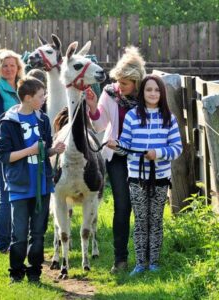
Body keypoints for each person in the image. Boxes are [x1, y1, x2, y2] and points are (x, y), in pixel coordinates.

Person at [106, 75, 183, 275]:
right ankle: (140, 263)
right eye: (149, 90)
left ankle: (154, 263)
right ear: (143, 93)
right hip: (136, 178)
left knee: (156, 220)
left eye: (156, 90)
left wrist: (157, 154)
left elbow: (177, 148)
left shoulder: (169, 118)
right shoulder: (132, 116)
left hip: (160, 177)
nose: (153, 93)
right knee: (140, 220)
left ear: (161, 93)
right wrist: (116, 146)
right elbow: (126, 147)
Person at [0, 77, 65, 283]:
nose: (44, 99)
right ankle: (16, 274)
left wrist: (54, 150)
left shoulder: (42, 120)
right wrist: (30, 150)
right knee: (19, 235)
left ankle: (35, 273)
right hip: (20, 186)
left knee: (38, 233)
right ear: (27, 98)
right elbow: (4, 156)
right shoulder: (8, 123)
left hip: (42, 186)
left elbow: (44, 150)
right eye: (41, 96)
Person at [85, 46, 146, 273]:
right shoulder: (110, 92)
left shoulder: (147, 95)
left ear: (137, 83)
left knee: (144, 206)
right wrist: (92, 107)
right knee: (122, 206)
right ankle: (120, 259)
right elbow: (100, 125)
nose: (120, 87)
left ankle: (146, 257)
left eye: (125, 83)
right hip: (117, 157)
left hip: (142, 156)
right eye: (119, 81)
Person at [0, 49, 25, 252]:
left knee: (21, 195)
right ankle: (3, 243)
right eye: (5, 65)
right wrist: (22, 114)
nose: (9, 69)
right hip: (3, 147)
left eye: (12, 65)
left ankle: (19, 239)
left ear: (18, 67)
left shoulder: (24, 87)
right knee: (6, 194)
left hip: (25, 147)